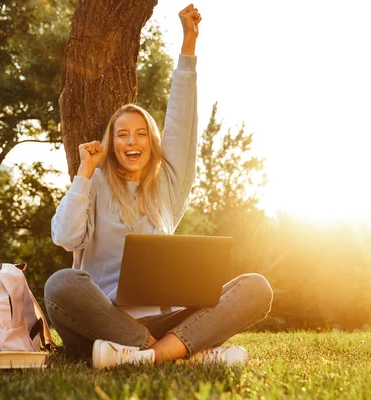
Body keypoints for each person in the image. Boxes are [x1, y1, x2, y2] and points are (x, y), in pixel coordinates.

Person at [45, 4, 273, 369]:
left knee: (256, 287)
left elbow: (182, 120)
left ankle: (148, 356)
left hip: (167, 317)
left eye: (140, 134)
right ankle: (183, 354)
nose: (132, 141)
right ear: (112, 143)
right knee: (61, 284)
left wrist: (189, 45)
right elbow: (65, 236)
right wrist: (84, 174)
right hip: (105, 320)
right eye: (122, 134)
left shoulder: (167, 184)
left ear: (152, 142)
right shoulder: (96, 183)